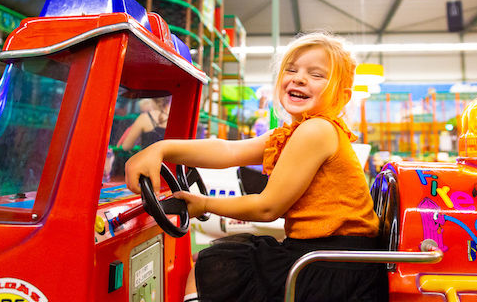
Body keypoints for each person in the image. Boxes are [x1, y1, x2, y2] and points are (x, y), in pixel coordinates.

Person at [125, 32, 387, 302]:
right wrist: (162, 148)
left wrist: (203, 204)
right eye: (291, 69)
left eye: (317, 75)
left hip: (334, 268)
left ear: (341, 97)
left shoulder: (317, 130)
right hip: (327, 258)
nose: (298, 78)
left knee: (213, 266)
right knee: (214, 261)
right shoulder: (294, 133)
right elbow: (228, 150)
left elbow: (267, 208)